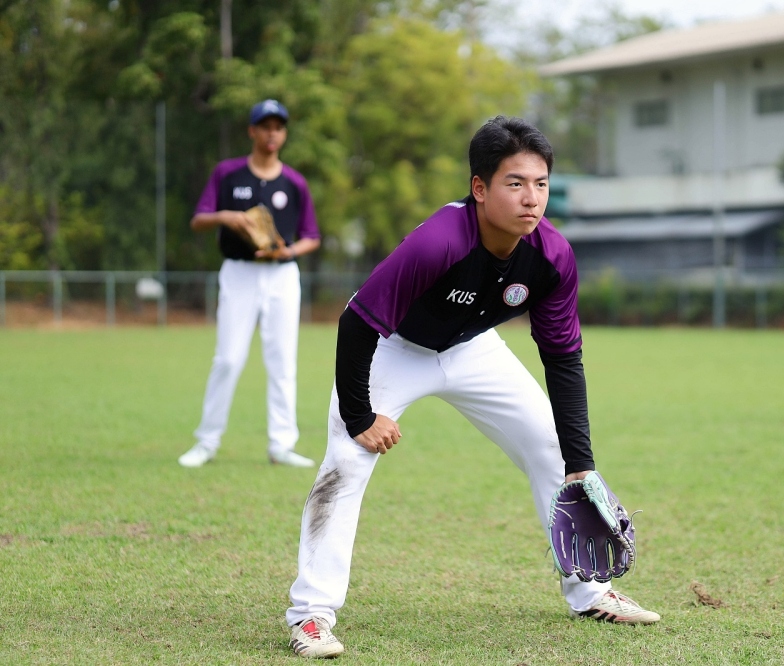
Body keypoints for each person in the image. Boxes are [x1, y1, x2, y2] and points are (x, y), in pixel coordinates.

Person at [285, 116, 659, 659]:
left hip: (474, 349)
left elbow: (562, 358)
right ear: (479, 188)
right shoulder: (438, 241)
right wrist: (361, 416)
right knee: (346, 462)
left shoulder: (552, 256)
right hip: (395, 347)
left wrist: (582, 464)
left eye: (541, 183)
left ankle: (590, 593)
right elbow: (357, 322)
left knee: (554, 450)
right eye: (515, 183)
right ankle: (311, 614)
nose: (531, 198)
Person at [178, 100, 321, 469]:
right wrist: (225, 217)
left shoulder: (294, 182)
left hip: (282, 275)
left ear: (284, 133)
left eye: (278, 127)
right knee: (228, 358)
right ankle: (207, 441)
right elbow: (198, 220)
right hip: (239, 273)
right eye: (265, 126)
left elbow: (312, 236)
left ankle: (281, 445)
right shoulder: (227, 174)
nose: (272, 133)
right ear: (252, 131)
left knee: (282, 361)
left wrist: (289, 251)